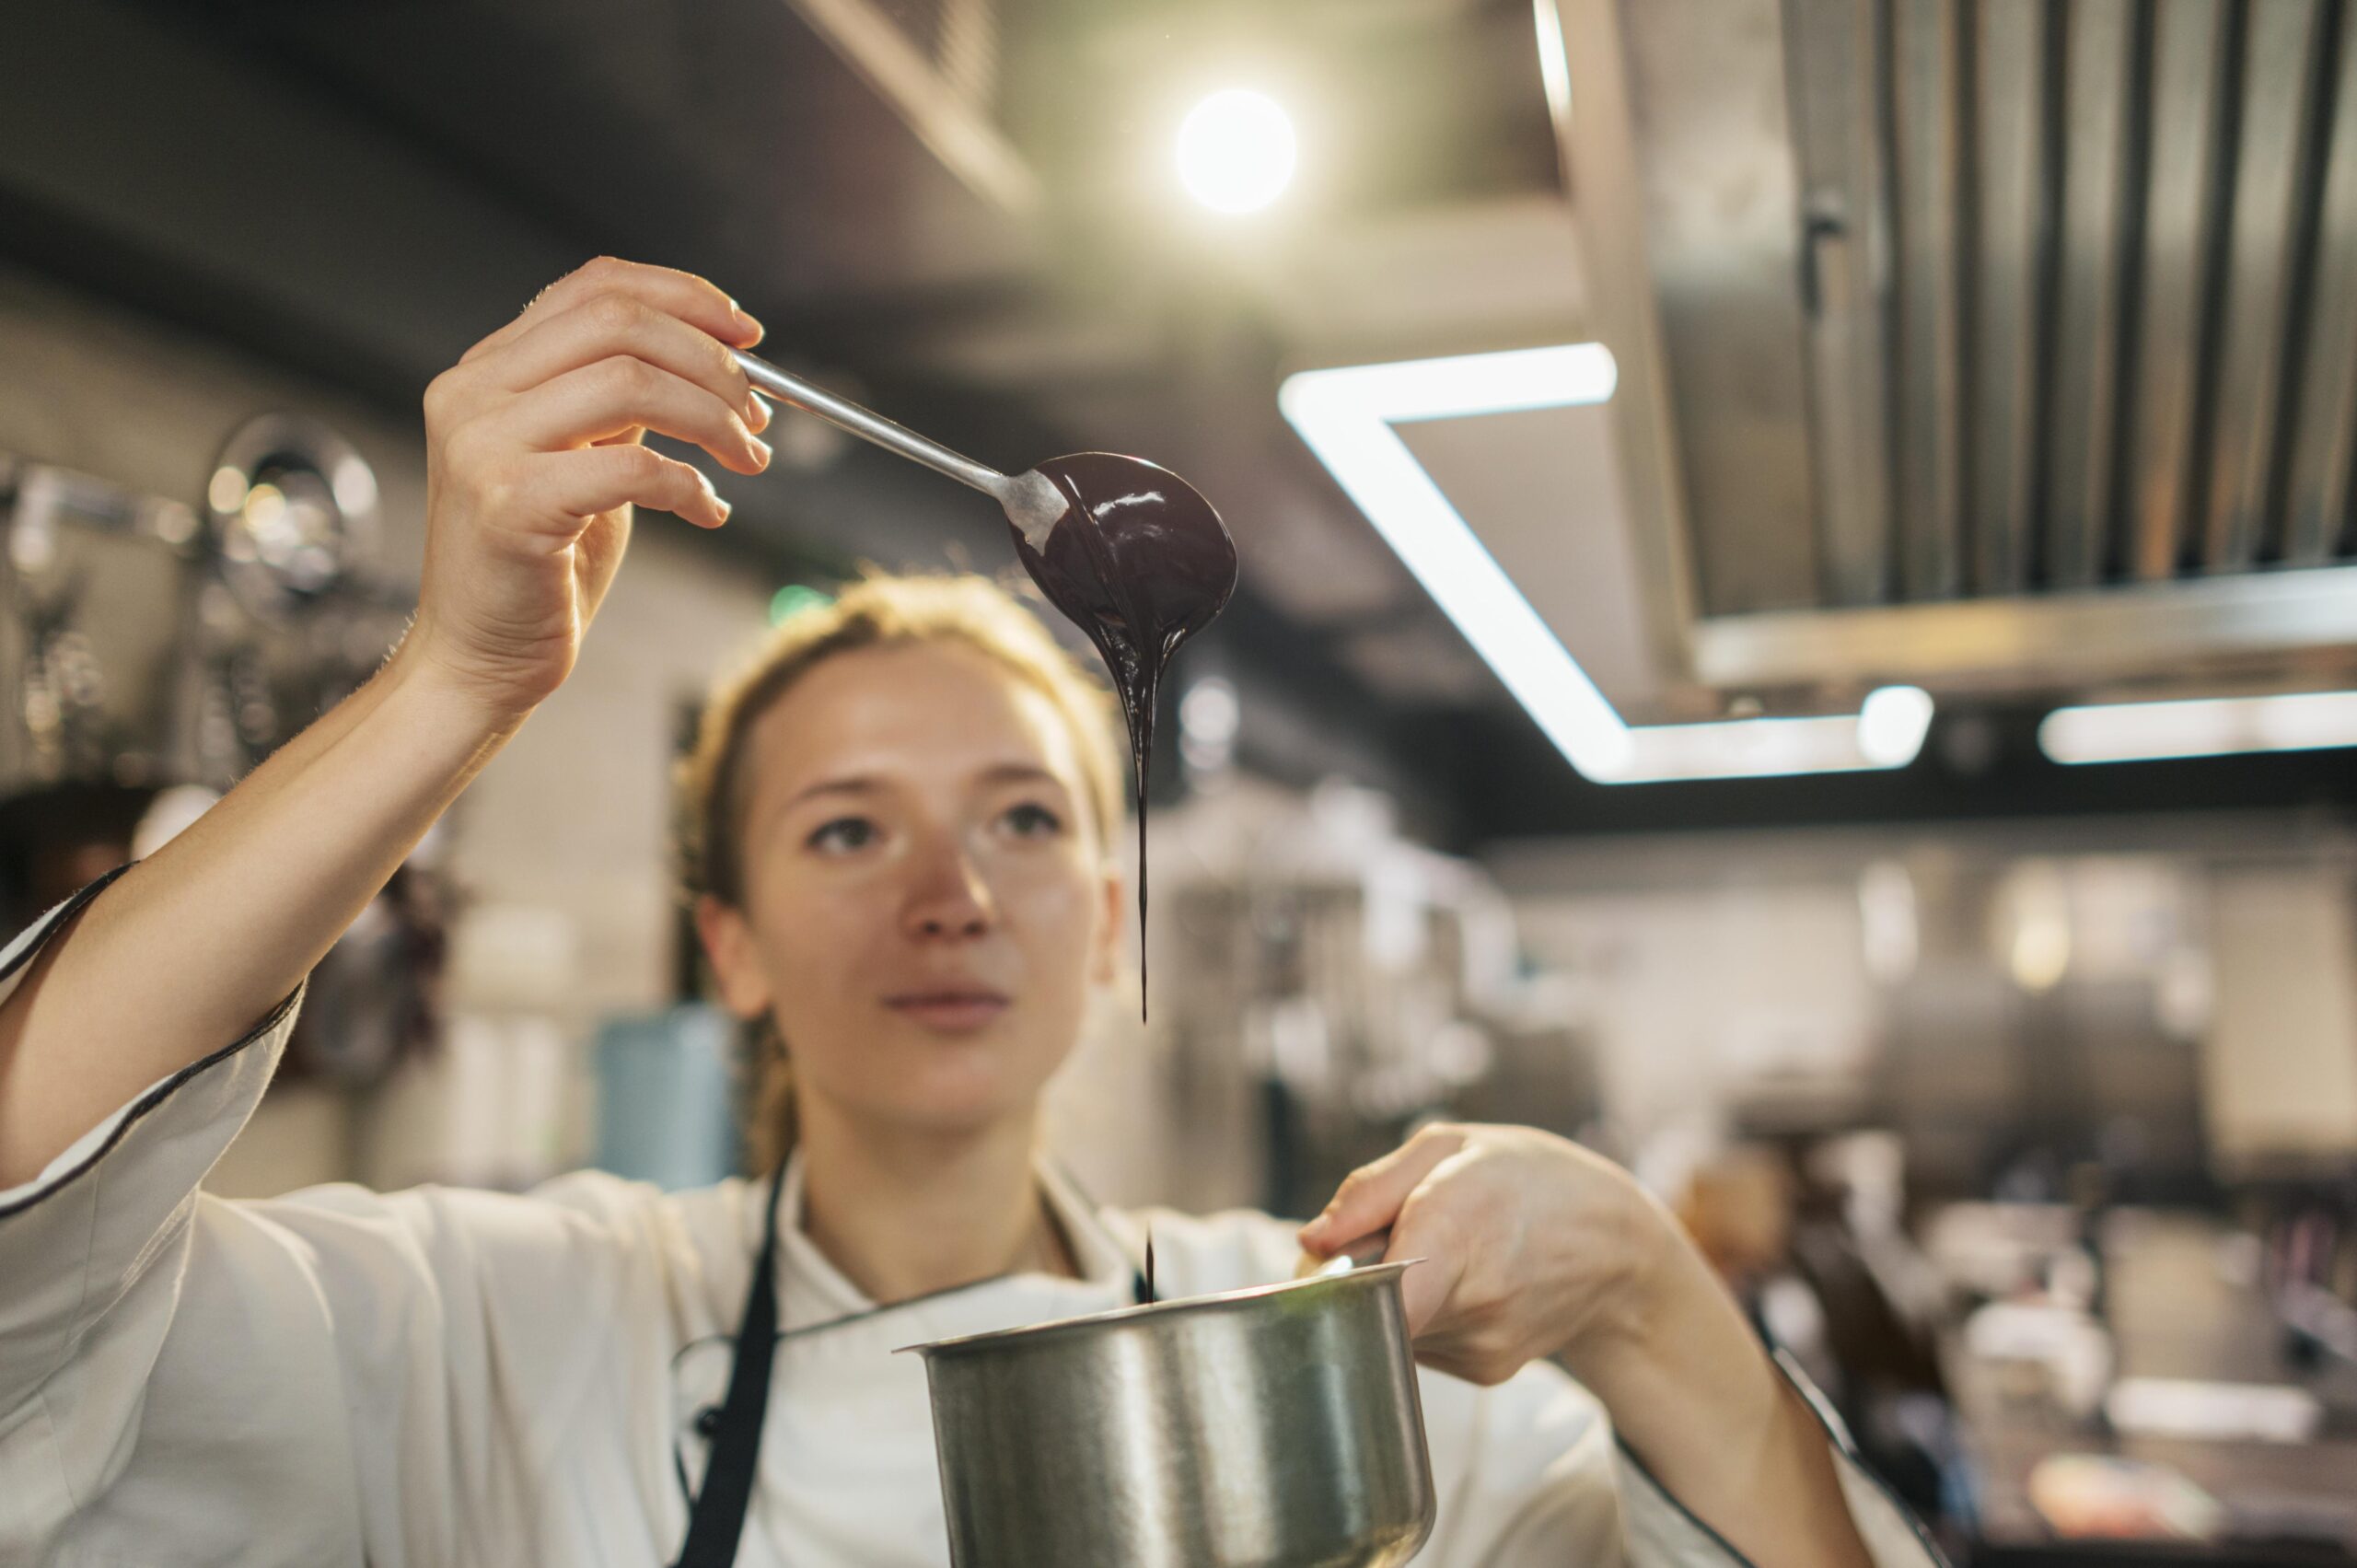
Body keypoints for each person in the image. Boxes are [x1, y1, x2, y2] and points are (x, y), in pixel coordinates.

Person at [0, 258, 1937, 1568]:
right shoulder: (506, 1330)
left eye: (1019, 819)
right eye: (846, 833)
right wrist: (447, 682)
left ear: (1108, 919)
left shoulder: (1322, 1357)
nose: (945, 894)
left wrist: (1644, 1298)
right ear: (731, 943)